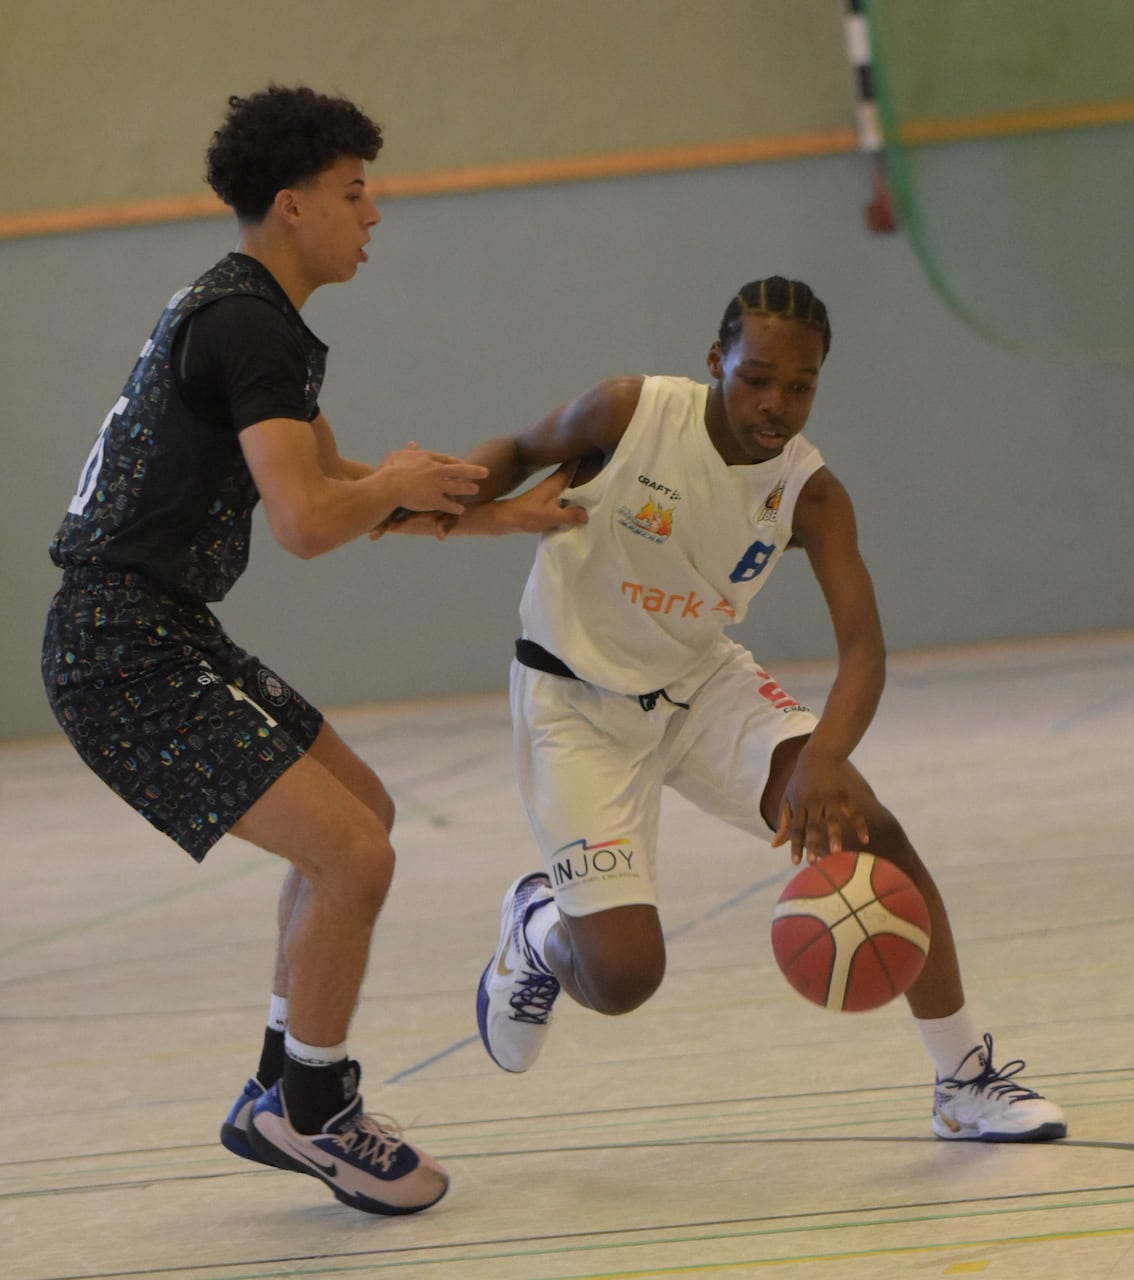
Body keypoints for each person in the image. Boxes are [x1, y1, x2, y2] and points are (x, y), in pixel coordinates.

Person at [40, 84, 581, 1216]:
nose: (372, 215)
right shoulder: (247, 324)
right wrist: (391, 484)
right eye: (354, 192)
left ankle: (276, 1087)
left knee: (362, 816)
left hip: (160, 629)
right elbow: (304, 523)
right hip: (119, 648)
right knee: (355, 857)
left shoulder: (251, 318)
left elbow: (339, 494)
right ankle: (316, 1104)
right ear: (293, 206)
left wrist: (496, 515)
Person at [395, 275, 1067, 1143]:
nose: (776, 403)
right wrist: (442, 491)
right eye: (756, 377)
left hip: (702, 685)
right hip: (574, 703)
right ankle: (538, 929)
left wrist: (823, 758)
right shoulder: (629, 412)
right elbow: (521, 448)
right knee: (623, 978)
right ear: (717, 361)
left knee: (872, 833)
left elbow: (864, 648)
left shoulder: (810, 494)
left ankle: (964, 1080)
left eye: (801, 385)